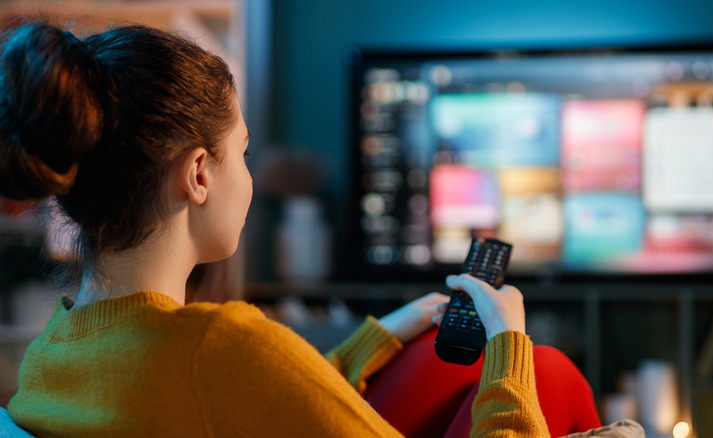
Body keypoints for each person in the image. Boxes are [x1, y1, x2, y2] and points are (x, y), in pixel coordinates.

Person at [0, 21, 550, 437]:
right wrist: (508, 343)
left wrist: (378, 336)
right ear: (197, 174)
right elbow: (245, 376)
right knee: (551, 373)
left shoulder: (50, 354)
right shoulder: (222, 347)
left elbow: (266, 398)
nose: (250, 179)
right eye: (241, 152)